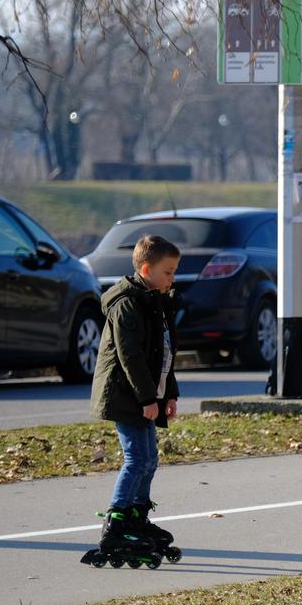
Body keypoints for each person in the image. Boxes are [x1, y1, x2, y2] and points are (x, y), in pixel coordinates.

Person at [87, 234, 182, 563]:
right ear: (146, 269)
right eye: (168, 272)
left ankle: (136, 517)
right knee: (136, 460)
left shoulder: (156, 302)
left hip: (147, 395)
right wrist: (146, 397)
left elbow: (163, 355)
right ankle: (116, 522)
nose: (172, 279)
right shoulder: (127, 304)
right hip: (126, 395)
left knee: (149, 458)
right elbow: (131, 357)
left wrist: (169, 392)